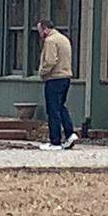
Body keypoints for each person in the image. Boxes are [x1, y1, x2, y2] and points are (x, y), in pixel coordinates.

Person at [36, 19, 78, 151]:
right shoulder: (64, 39)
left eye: (40, 31)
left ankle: (55, 141)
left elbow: (50, 61)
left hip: (54, 79)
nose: (39, 34)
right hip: (66, 78)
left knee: (53, 110)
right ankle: (70, 134)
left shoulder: (50, 41)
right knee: (60, 107)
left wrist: (42, 72)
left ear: (45, 29)